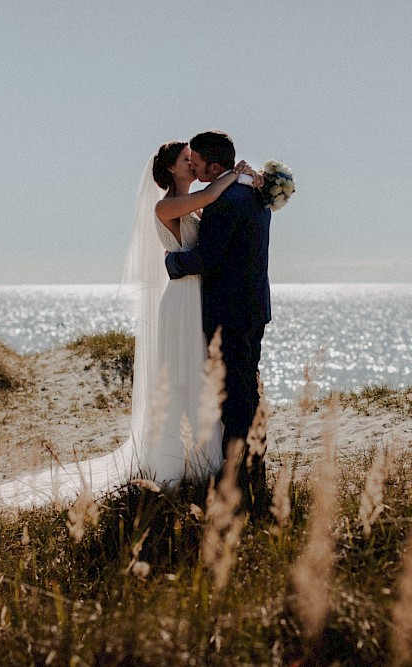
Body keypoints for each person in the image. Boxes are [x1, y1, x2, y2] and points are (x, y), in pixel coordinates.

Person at [0, 140, 255, 507]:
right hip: (181, 300)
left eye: (194, 159)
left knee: (198, 373)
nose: (193, 164)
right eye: (186, 160)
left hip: (196, 298)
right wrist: (235, 175)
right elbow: (212, 195)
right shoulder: (167, 204)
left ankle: (204, 458)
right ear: (171, 169)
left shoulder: (192, 202)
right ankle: (177, 462)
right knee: (180, 375)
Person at [165, 130, 272, 515]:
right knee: (247, 389)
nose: (192, 166)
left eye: (197, 162)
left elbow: (205, 258)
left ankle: (240, 476)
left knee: (235, 395)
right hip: (253, 308)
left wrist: (171, 263)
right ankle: (251, 469)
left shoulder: (224, 202)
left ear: (214, 166)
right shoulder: (253, 192)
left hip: (229, 312)